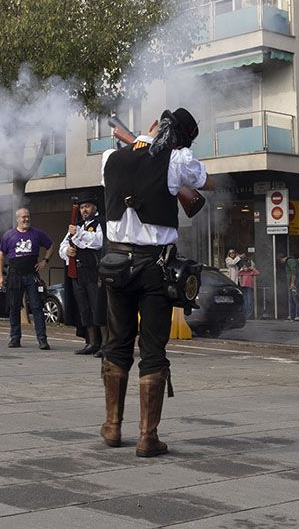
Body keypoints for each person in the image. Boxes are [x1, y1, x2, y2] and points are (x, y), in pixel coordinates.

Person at [98, 107, 210, 458]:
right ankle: (148, 436)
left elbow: (131, 168)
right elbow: (202, 178)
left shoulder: (109, 159)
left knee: (116, 343)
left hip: (116, 263)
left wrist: (139, 143)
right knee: (153, 349)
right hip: (154, 267)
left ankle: (113, 427)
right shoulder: (177, 159)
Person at [0, 207, 53, 351]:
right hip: (14, 276)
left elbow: (51, 246)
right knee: (14, 307)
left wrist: (45, 261)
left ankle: (42, 340)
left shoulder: (37, 234)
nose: (26, 219)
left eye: (28, 216)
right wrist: (0, 276)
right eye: (23, 217)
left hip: (32, 276)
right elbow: (1, 256)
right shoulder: (9, 235)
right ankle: (15, 338)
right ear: (17, 219)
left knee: (36, 307)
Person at [59, 194, 106, 356]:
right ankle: (92, 342)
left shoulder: (101, 223)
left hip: (94, 272)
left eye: (87, 206)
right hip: (78, 272)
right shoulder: (77, 225)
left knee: (98, 308)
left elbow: (99, 241)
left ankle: (106, 345)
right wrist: (68, 251)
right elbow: (62, 245)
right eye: (81, 207)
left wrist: (78, 234)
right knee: (84, 309)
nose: (84, 210)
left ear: (95, 207)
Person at [283, 253, 299, 321]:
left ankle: (298, 315)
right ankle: (292, 315)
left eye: (281, 260)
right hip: (292, 283)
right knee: (291, 299)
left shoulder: (290, 261)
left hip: (296, 283)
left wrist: (292, 283)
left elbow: (293, 272)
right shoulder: (288, 262)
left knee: (295, 299)